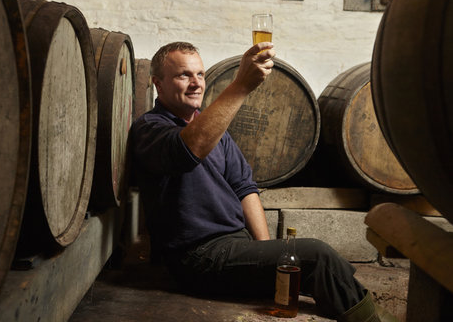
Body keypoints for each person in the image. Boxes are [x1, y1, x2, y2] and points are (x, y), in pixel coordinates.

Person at [129, 41, 396, 322]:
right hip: (198, 258)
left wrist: (266, 253)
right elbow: (189, 150)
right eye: (183, 75)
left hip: (234, 247)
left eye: (200, 74)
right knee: (318, 255)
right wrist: (241, 86)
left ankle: (363, 312)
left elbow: (246, 189)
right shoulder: (151, 129)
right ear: (158, 84)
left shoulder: (216, 132)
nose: (196, 83)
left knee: (319, 272)